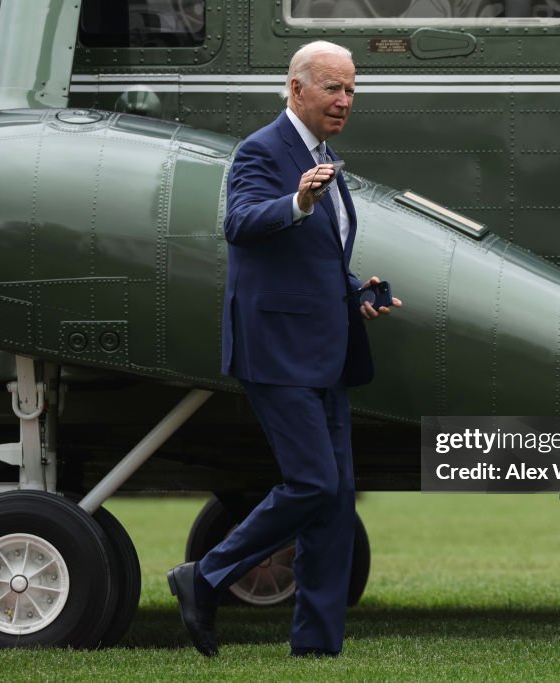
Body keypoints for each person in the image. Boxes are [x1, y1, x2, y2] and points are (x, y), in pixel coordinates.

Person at [167, 40, 401, 658]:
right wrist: (297, 201)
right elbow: (240, 224)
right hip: (276, 351)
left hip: (327, 348)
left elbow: (316, 258)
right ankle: (206, 574)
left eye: (352, 89)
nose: (345, 101)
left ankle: (317, 648)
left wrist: (359, 292)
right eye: (334, 88)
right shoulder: (262, 151)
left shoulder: (323, 156)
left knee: (334, 501)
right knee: (314, 486)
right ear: (297, 89)